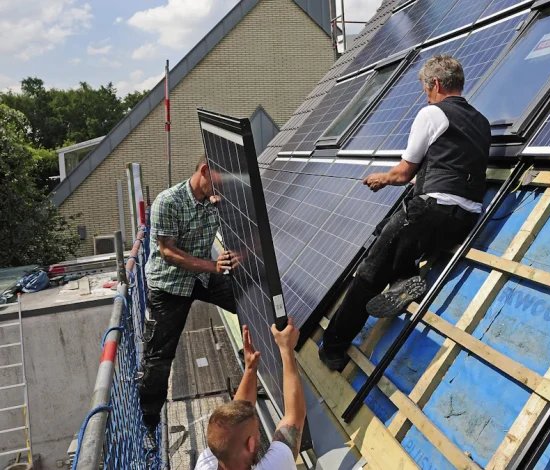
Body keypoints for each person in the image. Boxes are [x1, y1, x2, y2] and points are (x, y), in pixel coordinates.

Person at [319, 54, 491, 371]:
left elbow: (402, 172)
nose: (426, 96)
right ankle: (404, 277)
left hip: (429, 212)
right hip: (464, 220)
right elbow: (450, 166)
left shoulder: (432, 114)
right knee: (403, 242)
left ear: (436, 84)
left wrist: (381, 178)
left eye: (426, 89)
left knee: (370, 272)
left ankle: (332, 348)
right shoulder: (481, 122)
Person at [138, 158, 240, 433]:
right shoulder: (168, 202)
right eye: (217, 183)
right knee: (159, 358)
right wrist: (213, 266)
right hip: (168, 285)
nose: (220, 190)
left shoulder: (214, 201)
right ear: (204, 171)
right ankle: (148, 424)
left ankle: (259, 365)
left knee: (246, 301)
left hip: (201, 277)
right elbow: (168, 252)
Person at [195, 322, 305, 470]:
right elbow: (294, 415)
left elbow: (238, 414)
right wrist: (286, 349)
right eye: (257, 430)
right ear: (251, 444)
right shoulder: (275, 466)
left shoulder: (206, 463)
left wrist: (250, 368)